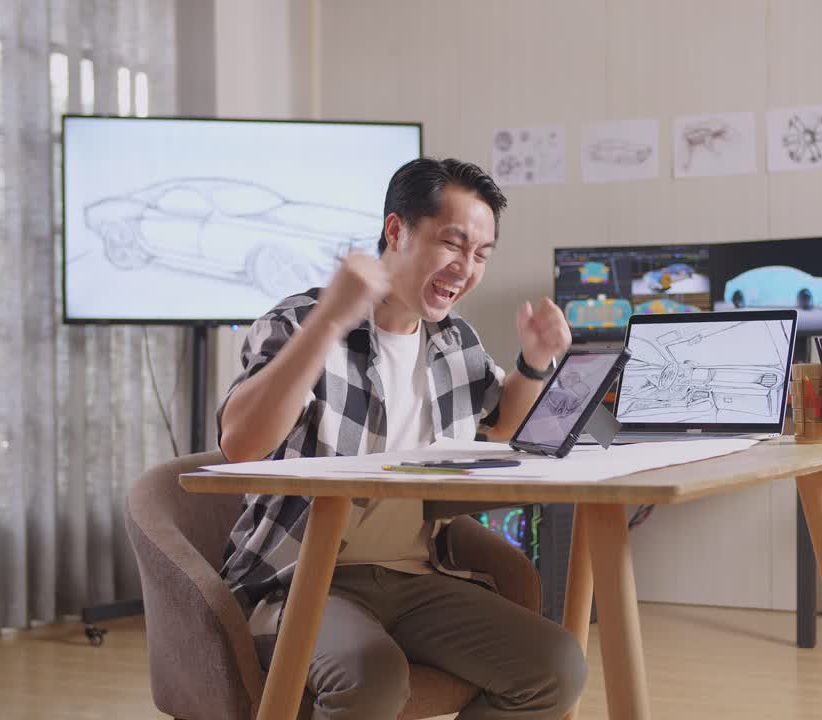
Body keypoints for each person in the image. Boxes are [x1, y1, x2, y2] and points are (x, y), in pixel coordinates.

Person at [216, 158, 585, 720]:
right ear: (396, 231)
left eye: (481, 254)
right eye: (453, 243)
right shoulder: (299, 320)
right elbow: (239, 442)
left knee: (555, 666)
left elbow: (500, 423)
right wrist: (329, 324)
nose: (466, 267)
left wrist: (535, 363)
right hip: (299, 578)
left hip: (416, 576)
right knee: (372, 678)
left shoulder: (454, 339)